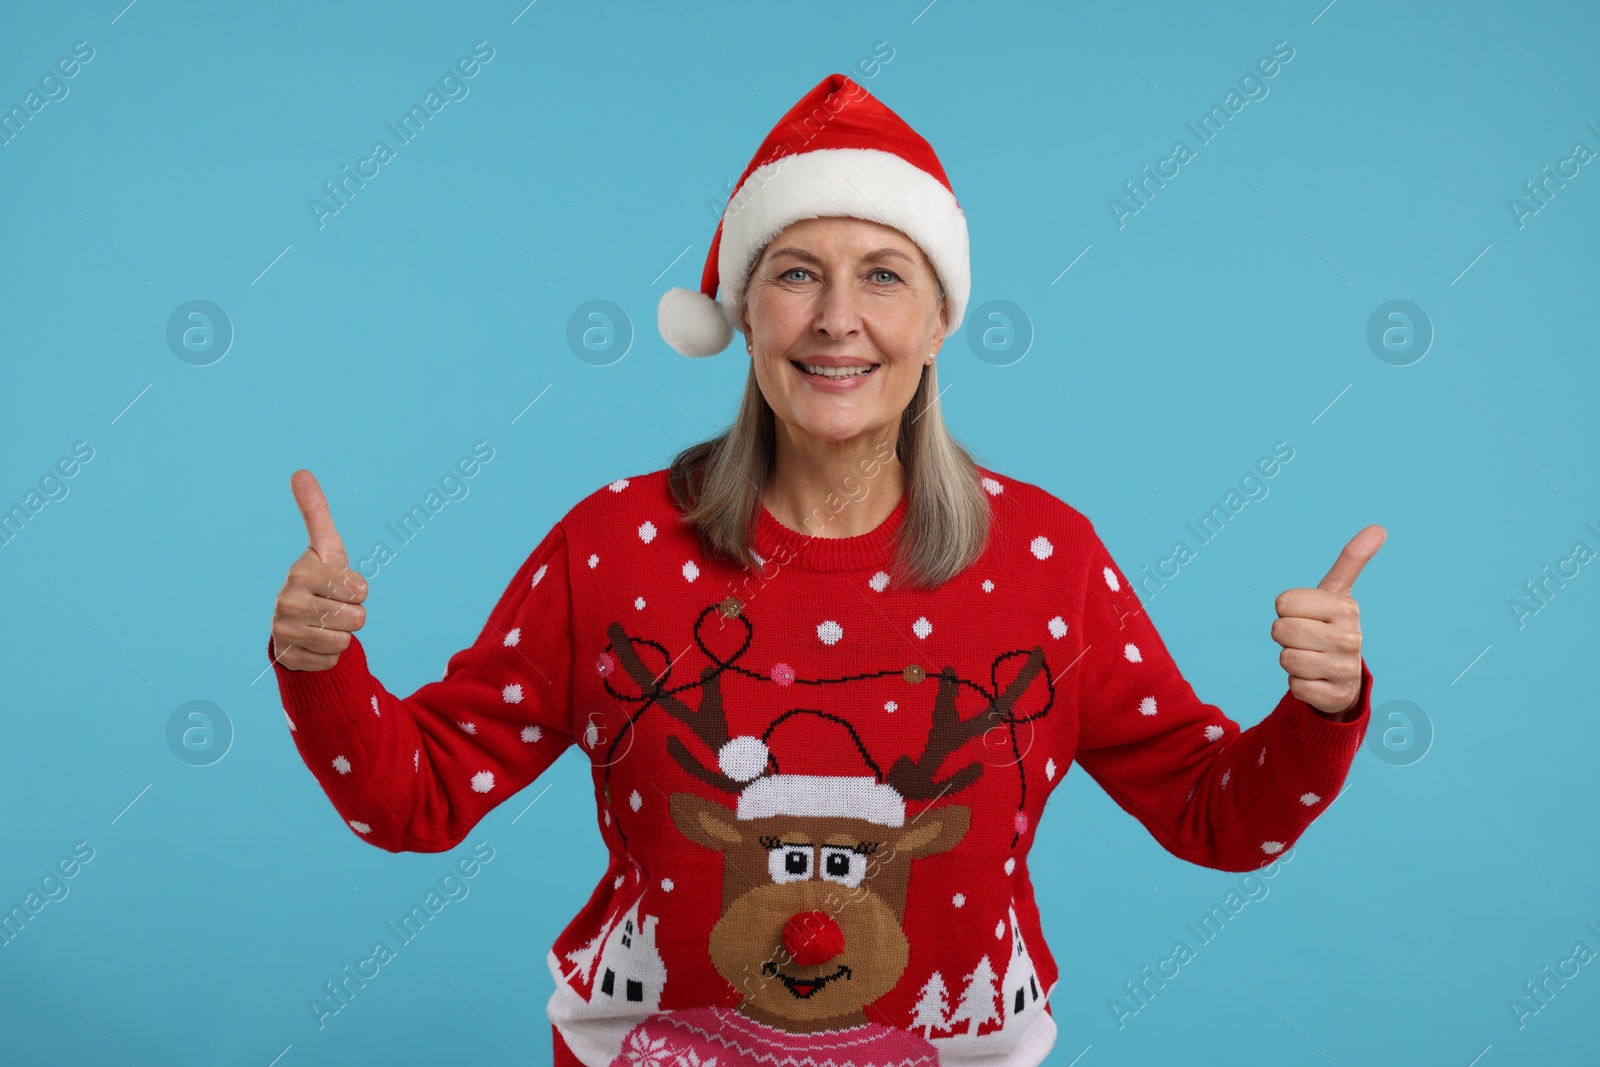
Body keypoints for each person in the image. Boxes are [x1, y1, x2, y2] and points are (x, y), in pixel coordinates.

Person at [268, 73, 1381, 1067]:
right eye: (797, 273)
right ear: (745, 310)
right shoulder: (611, 547)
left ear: (941, 318)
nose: (838, 319)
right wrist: (322, 661)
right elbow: (412, 796)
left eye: (884, 276)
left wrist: (1317, 709)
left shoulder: (1049, 559)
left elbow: (1217, 817)